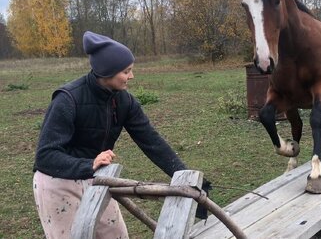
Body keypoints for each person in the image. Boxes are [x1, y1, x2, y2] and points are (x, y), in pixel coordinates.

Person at [33, 31, 210, 239]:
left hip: (96, 178)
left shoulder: (124, 101)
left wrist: (185, 178)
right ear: (107, 71)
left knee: (116, 235)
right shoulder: (68, 99)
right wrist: (88, 164)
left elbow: (151, 141)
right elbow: (45, 156)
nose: (131, 76)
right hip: (58, 183)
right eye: (126, 71)